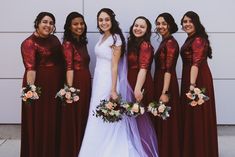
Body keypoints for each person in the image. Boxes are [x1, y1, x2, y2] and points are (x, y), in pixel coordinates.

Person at [79, 8, 156, 157]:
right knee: (95, 113)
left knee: (107, 112)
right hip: (99, 80)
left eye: (107, 19)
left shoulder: (116, 39)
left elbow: (115, 66)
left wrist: (113, 89)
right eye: (101, 20)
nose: (103, 22)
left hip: (109, 80)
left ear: (112, 20)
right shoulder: (103, 37)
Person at [20, 12, 65, 157]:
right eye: (45, 22)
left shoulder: (54, 39)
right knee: (40, 119)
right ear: (37, 23)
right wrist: (31, 91)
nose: (48, 25)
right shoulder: (29, 43)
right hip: (38, 86)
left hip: (55, 85)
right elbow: (30, 68)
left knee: (53, 118)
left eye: (51, 23)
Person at [180, 11, 218, 157]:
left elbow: (196, 63)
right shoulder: (190, 38)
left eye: (190, 21)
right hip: (190, 77)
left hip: (197, 79)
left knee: (197, 115)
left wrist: (192, 85)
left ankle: (200, 152)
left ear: (196, 23)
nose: (187, 24)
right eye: (184, 21)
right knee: (191, 115)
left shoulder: (198, 40)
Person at [59, 12, 91, 157]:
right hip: (76, 82)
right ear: (69, 27)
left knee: (83, 113)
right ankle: (73, 149)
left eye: (81, 23)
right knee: (75, 115)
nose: (79, 26)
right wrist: (70, 90)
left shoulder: (81, 42)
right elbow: (69, 67)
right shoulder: (67, 44)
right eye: (75, 24)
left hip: (85, 81)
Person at [127, 16, 159, 157]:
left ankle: (144, 152)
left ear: (147, 30)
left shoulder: (145, 45)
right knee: (133, 118)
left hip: (140, 83)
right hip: (132, 81)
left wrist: (137, 89)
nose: (138, 28)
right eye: (136, 25)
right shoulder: (133, 43)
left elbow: (144, 68)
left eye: (142, 26)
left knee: (140, 118)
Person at [152, 13, 181, 157]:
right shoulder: (164, 41)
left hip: (166, 83)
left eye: (163, 23)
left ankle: (168, 152)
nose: (160, 26)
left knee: (166, 119)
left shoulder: (170, 43)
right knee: (161, 119)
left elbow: (169, 69)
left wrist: (164, 92)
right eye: (158, 23)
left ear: (170, 24)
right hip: (160, 81)